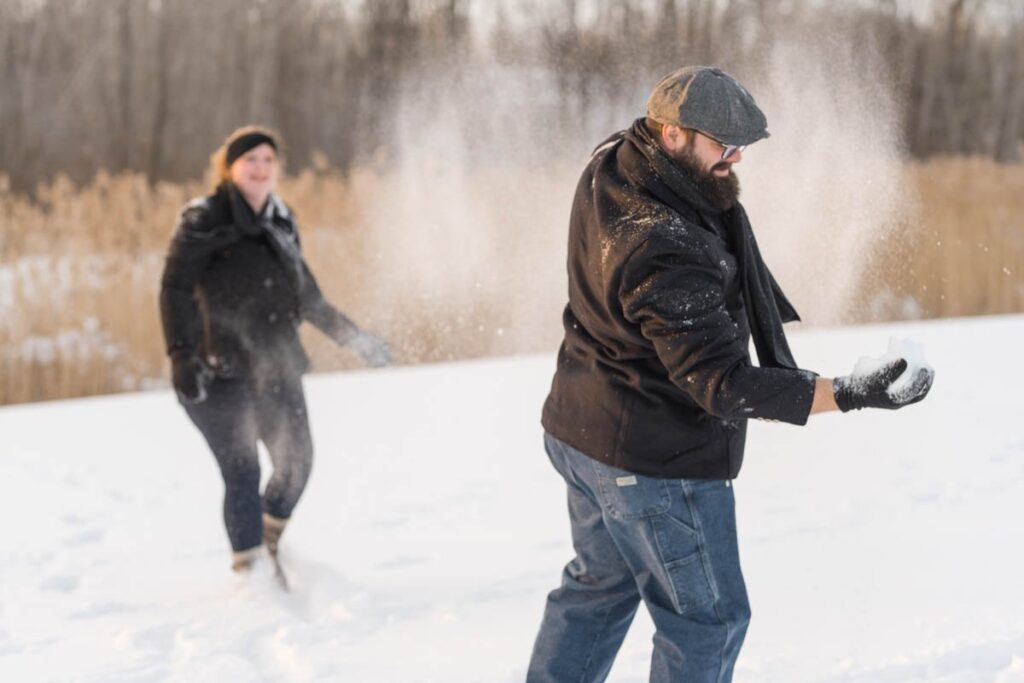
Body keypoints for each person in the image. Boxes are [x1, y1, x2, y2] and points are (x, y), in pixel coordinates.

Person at [528, 67, 934, 682]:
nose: (736, 158)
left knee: (596, 593)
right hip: (653, 464)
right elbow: (723, 384)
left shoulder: (614, 162)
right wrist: (850, 393)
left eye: (742, 144)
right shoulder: (663, 246)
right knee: (707, 624)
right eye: (723, 144)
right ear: (670, 135)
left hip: (582, 431)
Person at [159, 126, 391, 573]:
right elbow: (174, 288)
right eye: (250, 160)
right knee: (243, 470)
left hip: (277, 366)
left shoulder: (281, 221)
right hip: (218, 372)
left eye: (268, 159)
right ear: (230, 167)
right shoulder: (202, 219)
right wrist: (180, 353)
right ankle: (249, 574)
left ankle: (267, 539)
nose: (260, 168)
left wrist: (356, 339)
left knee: (297, 463)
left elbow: (309, 298)